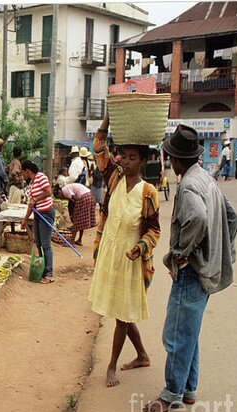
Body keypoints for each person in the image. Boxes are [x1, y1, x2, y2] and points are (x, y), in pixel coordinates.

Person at [142, 124, 237, 412]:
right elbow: (231, 218)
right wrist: (220, 251)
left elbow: (197, 218)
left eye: (171, 156)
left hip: (192, 272)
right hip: (205, 269)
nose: (170, 161)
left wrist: (182, 253)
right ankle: (188, 390)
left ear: (177, 159)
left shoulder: (188, 186)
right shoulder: (207, 179)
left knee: (175, 335)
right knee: (189, 331)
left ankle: (171, 394)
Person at [88, 113, 161, 388]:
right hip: (109, 252)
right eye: (124, 156)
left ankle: (110, 367)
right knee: (123, 310)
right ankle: (142, 355)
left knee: (121, 314)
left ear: (142, 161)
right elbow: (99, 150)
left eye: (132, 157)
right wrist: (106, 122)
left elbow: (154, 230)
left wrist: (140, 248)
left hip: (131, 258)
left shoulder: (148, 192)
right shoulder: (114, 178)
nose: (125, 161)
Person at [21, 160, 55, 284]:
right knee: (38, 243)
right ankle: (42, 269)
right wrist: (25, 219)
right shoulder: (31, 184)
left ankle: (49, 273)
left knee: (46, 244)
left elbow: (48, 192)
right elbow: (31, 204)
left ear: (27, 171)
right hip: (37, 215)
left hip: (46, 213)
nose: (22, 175)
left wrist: (36, 199)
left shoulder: (41, 177)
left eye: (22, 173)